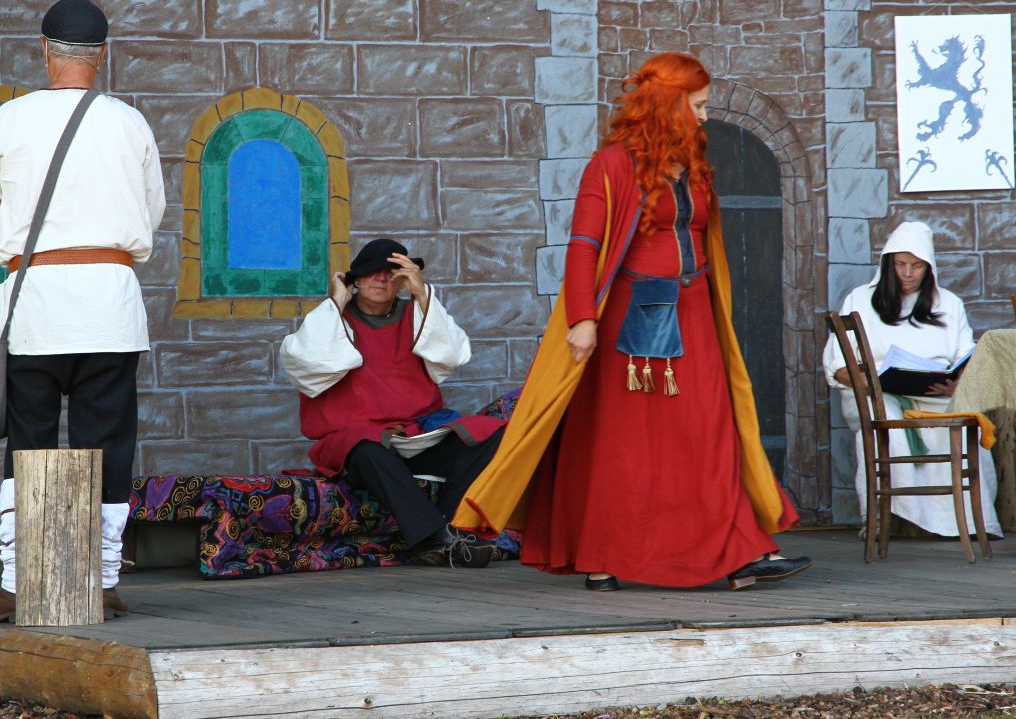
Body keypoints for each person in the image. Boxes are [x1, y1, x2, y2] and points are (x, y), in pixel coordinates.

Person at [453, 52, 808, 591]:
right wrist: (582, 319)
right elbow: (583, 246)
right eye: (698, 105)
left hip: (695, 313)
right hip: (631, 322)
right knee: (623, 445)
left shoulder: (694, 164)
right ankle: (603, 556)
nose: (706, 116)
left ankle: (737, 553)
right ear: (669, 106)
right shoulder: (611, 165)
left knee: (711, 433)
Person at [0, 0, 166, 624]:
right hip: (110, 305)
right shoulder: (130, 122)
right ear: (102, 55)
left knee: (27, 447)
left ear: (44, 50)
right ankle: (101, 582)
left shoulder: (9, 119)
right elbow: (152, 214)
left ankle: (15, 583)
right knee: (106, 447)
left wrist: (29, 246)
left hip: (37, 306)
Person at [279, 238, 506, 567]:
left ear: (401, 281)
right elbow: (305, 362)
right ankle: (434, 537)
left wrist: (422, 294)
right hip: (358, 442)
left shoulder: (417, 315)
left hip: (414, 434)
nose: (381, 278)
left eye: (392, 273)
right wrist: (336, 302)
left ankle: (452, 528)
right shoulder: (333, 320)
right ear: (355, 281)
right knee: (367, 448)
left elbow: (454, 354)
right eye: (371, 272)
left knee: (491, 433)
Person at [822, 221, 1001, 537]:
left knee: (964, 420)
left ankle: (966, 521)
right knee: (887, 421)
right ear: (888, 264)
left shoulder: (948, 303)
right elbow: (838, 363)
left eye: (916, 266)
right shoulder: (860, 299)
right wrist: (870, 382)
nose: (907, 273)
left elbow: (966, 356)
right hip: (877, 393)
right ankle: (885, 516)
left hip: (936, 395)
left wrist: (957, 383)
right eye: (901, 264)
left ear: (928, 267)